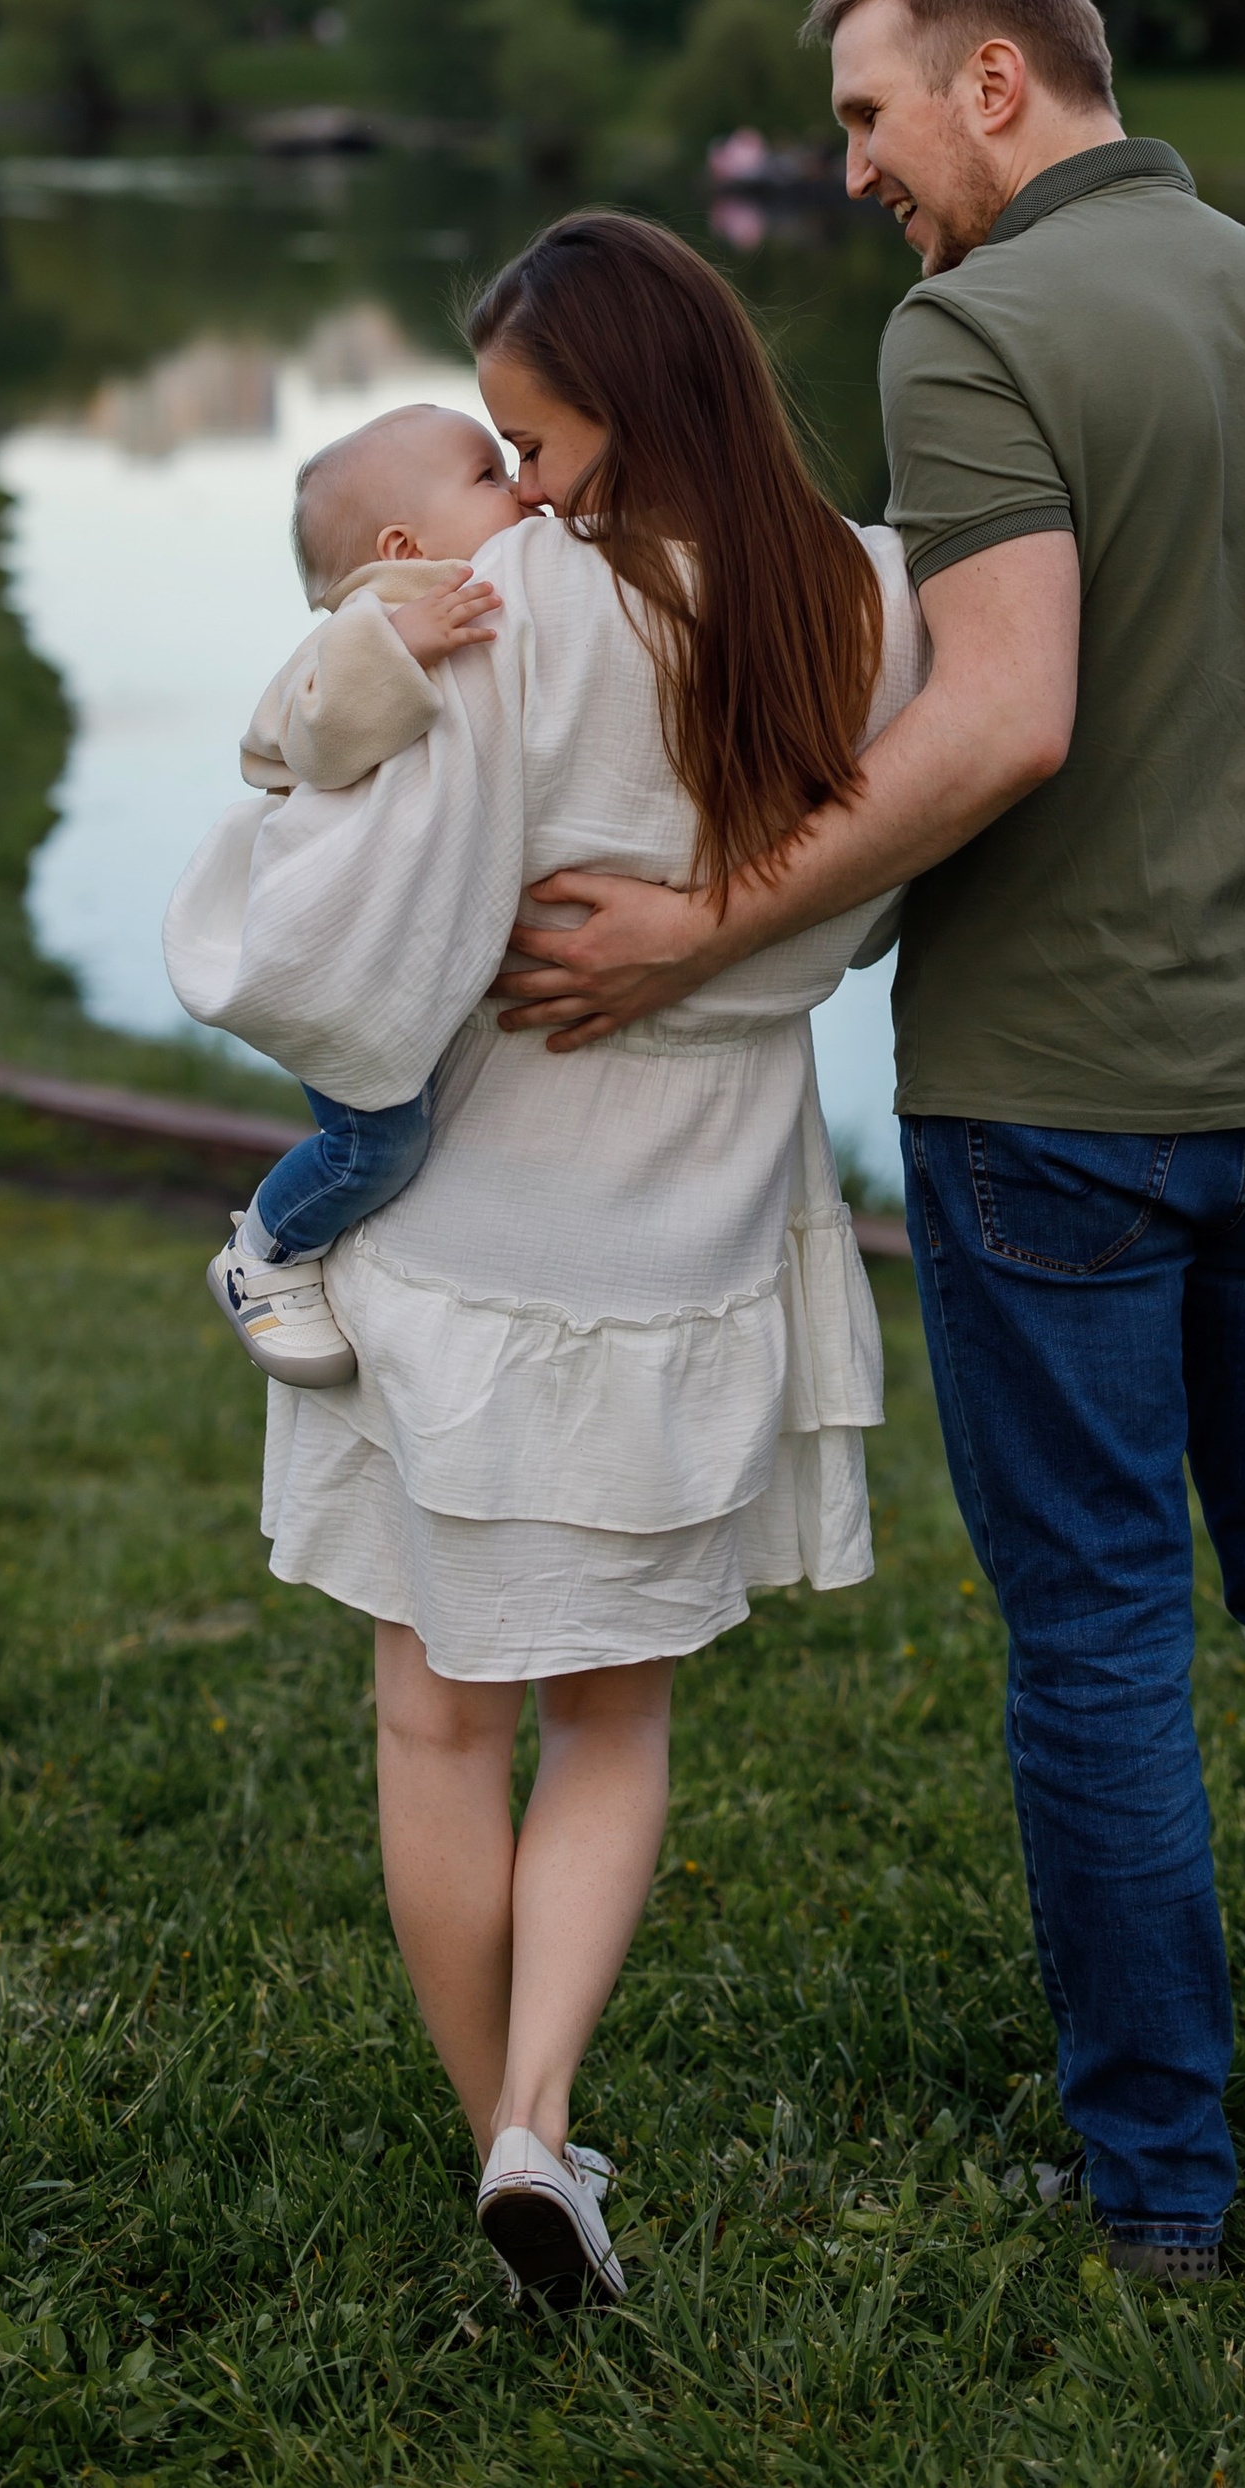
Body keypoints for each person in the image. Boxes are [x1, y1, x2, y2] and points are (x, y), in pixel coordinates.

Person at [492, 0, 1245, 2284]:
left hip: (1052, 1105)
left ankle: (1165, 2192)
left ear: (994, 81)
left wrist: (690, 924)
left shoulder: (973, 332)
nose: (850, 168)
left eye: (866, 117)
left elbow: (1000, 721)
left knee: (1092, 1634)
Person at [162, 220, 925, 2308]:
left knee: (436, 1718)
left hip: (473, 1218)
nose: (524, 478)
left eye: (527, 434)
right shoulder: (865, 595)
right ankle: (537, 2116)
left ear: (618, 402)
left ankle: (497, 2126)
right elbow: (866, 883)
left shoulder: (505, 606)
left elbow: (326, 881)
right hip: (693, 1208)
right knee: (610, 1712)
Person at [206, 402, 515, 1389]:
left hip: (401, 943)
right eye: (491, 476)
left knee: (412, 1123)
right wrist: (402, 642)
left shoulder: (461, 600)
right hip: (333, 942)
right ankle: (263, 1253)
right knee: (375, 1143)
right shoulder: (360, 633)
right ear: (401, 547)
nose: (522, 493)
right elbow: (320, 735)